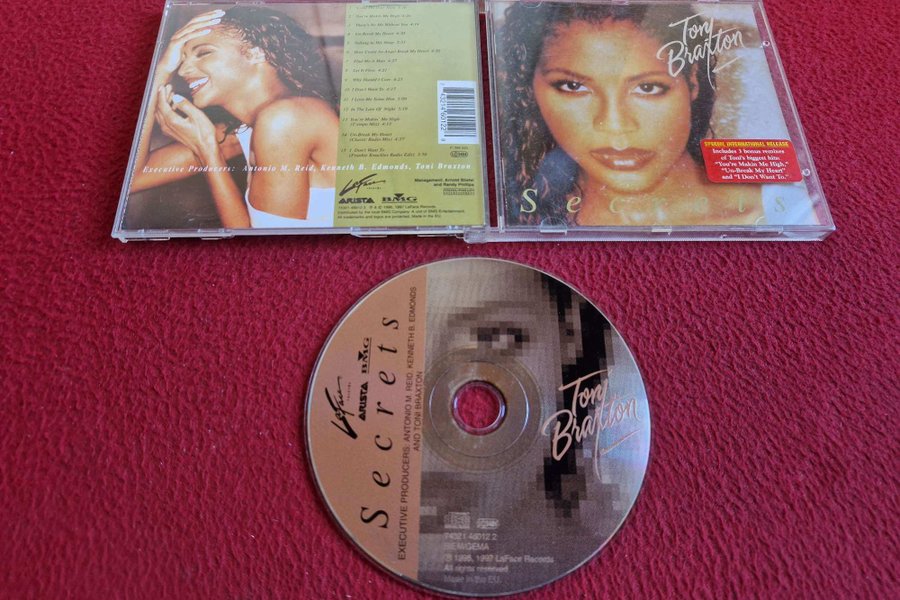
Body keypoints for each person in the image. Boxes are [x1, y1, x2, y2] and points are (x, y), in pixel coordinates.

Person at [497, 2, 765, 227]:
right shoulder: (519, 214)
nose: (615, 124)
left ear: (692, 81)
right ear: (528, 88)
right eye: (573, 86)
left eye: (648, 88)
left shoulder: (778, 211)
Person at [130, 7, 339, 228]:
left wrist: (207, 151)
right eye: (181, 60)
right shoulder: (248, 128)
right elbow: (135, 178)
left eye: (203, 53)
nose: (182, 71)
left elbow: (262, 239)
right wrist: (160, 72)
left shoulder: (286, 119)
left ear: (256, 53)